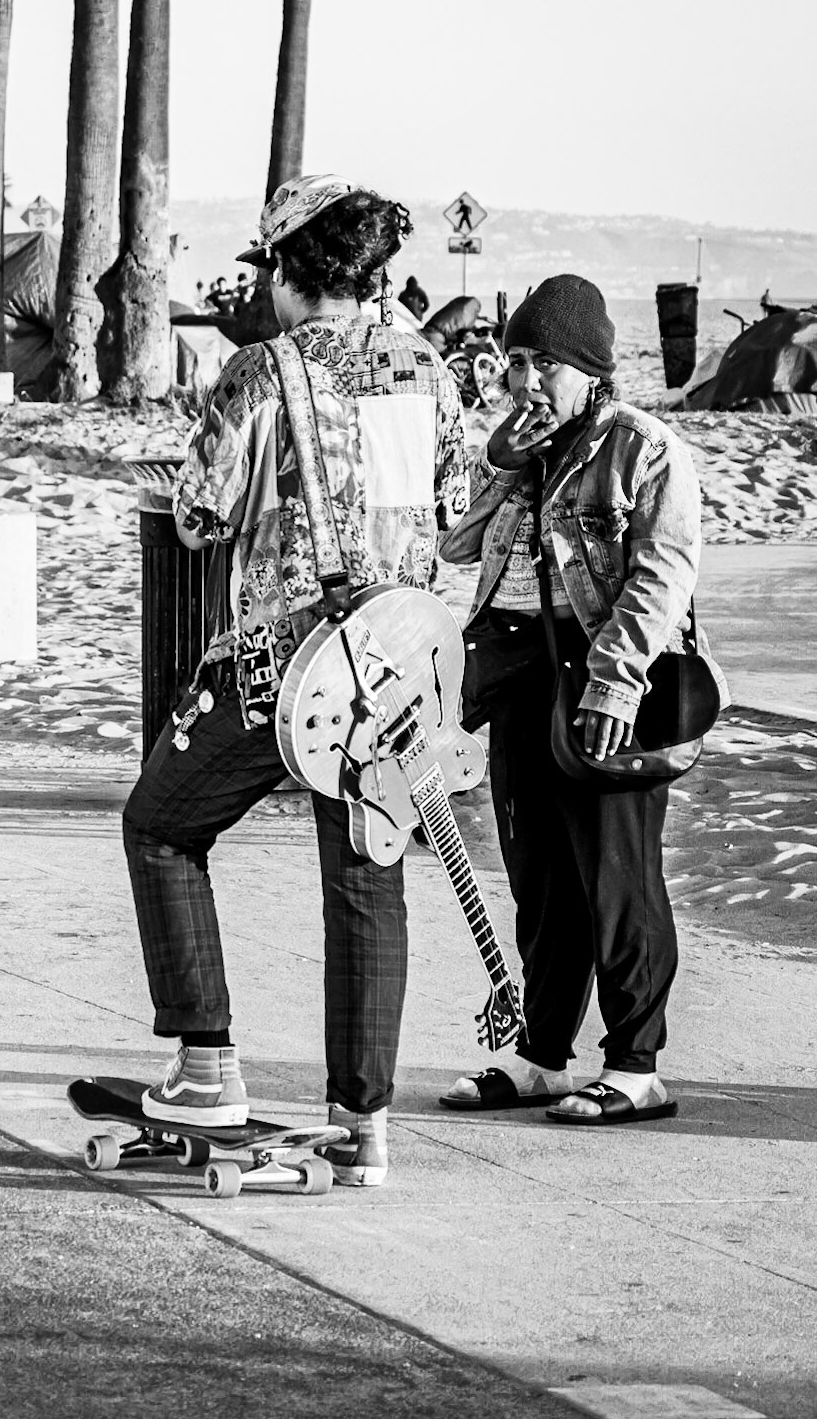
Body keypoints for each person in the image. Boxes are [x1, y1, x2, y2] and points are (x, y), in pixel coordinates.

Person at [122, 173, 469, 1185]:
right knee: (365, 880)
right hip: (393, 666)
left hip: (281, 667)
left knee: (160, 825)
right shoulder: (428, 370)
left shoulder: (259, 373)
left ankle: (204, 1063)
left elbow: (196, 517)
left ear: (284, 268)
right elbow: (448, 504)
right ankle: (360, 1127)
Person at [438, 274, 727, 1126]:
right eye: (513, 361)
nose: (523, 381)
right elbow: (455, 544)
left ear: (589, 370)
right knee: (538, 875)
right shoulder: (523, 449)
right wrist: (500, 459)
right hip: (518, 672)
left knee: (616, 873)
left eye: (542, 364)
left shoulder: (643, 448)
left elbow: (661, 577)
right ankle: (541, 1056)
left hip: (604, 676)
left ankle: (636, 1065)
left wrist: (613, 679)